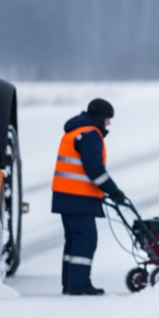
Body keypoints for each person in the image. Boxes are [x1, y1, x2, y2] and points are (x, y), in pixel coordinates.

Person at [50, 98, 127, 296]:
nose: (109, 123)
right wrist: (113, 190)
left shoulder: (76, 131)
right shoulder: (90, 134)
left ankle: (70, 283)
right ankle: (79, 284)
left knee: (74, 240)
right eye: (108, 119)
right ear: (100, 118)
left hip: (66, 196)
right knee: (86, 239)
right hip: (77, 197)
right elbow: (94, 169)